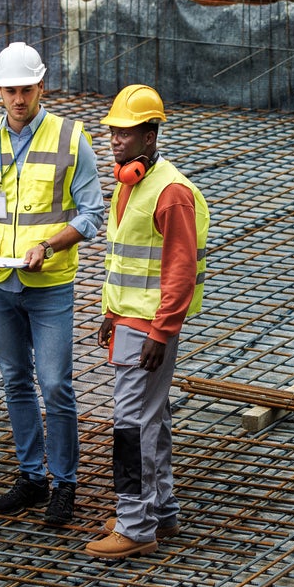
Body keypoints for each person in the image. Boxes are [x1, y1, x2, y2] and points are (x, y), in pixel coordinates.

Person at [0, 41, 103, 526]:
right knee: (15, 380)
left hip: (49, 286)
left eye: (26, 89)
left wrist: (50, 245)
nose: (18, 99)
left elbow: (92, 214)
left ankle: (64, 483)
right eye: (10, 90)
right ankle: (31, 476)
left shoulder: (70, 139)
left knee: (55, 384)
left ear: (41, 86)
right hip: (0, 280)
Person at [86, 83, 211, 562]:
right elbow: (128, 261)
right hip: (131, 321)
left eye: (126, 132)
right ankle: (160, 508)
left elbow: (178, 271)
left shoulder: (170, 192)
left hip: (149, 329)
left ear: (150, 137)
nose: (116, 140)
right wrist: (112, 313)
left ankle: (136, 526)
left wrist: (160, 331)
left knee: (130, 424)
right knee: (150, 418)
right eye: (114, 132)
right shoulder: (131, 182)